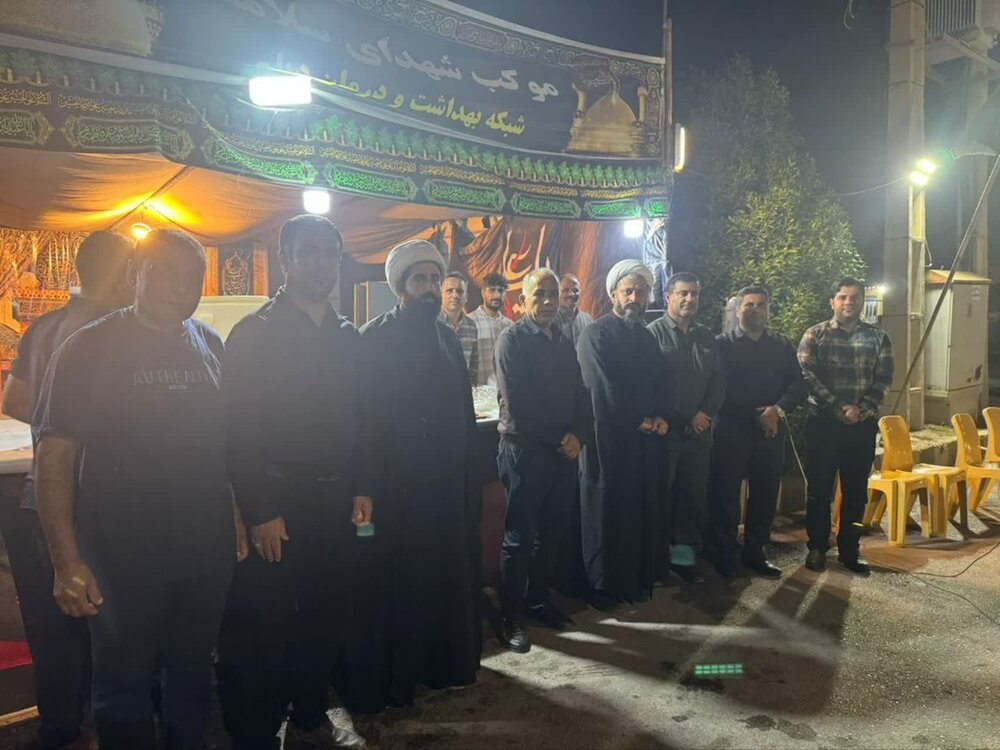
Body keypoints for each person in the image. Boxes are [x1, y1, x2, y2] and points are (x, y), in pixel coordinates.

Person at [32, 229, 240, 750]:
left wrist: (235, 516)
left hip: (203, 550)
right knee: (122, 681)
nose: (180, 286)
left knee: (192, 671)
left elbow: (224, 445)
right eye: (165, 272)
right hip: (120, 555)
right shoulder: (88, 347)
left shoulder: (210, 343)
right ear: (134, 276)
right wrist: (66, 562)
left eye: (192, 276)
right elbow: (54, 456)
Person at [216, 215, 368, 750]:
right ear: (285, 259)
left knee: (327, 614)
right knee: (266, 624)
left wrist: (363, 486)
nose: (322, 264)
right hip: (279, 501)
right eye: (309, 253)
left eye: (331, 253)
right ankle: (257, 732)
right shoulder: (255, 334)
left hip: (336, 500)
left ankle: (309, 716)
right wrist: (260, 509)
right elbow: (238, 430)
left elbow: (362, 419)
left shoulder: (347, 336)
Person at [0, 231, 133, 750]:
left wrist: (53, 424)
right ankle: (106, 730)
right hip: (101, 500)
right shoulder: (119, 332)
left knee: (52, 625)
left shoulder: (45, 327)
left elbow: (13, 401)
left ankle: (60, 729)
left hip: (40, 498)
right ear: (126, 274)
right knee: (108, 622)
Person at [351, 239, 480, 710]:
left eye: (434, 279)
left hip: (444, 484)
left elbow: (463, 410)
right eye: (419, 279)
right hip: (397, 486)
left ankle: (441, 666)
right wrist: (365, 485)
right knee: (402, 580)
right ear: (401, 286)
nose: (429, 288)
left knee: (444, 574)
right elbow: (363, 419)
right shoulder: (374, 337)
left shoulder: (445, 335)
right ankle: (397, 678)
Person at [494, 268, 592, 653]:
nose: (549, 301)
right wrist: (561, 439)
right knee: (519, 538)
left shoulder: (563, 341)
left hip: (562, 454)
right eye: (540, 295)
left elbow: (581, 394)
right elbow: (519, 404)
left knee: (552, 534)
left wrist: (580, 435)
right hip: (525, 452)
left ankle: (537, 600)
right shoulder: (512, 341)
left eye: (554, 294)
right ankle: (510, 615)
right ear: (523, 301)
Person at [576, 260, 668, 607]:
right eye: (628, 291)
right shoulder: (595, 335)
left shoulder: (646, 337)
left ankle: (635, 578)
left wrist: (660, 416)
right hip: (608, 440)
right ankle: (605, 585)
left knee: (637, 510)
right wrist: (638, 421)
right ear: (613, 294)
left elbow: (661, 381)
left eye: (640, 292)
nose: (634, 297)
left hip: (643, 440)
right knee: (607, 511)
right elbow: (601, 390)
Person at [706, 286, 805, 579]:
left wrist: (777, 410)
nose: (755, 309)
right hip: (731, 431)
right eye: (749, 304)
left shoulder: (781, 345)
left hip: (770, 433)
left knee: (765, 494)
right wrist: (758, 416)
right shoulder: (721, 345)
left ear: (768, 309)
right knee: (725, 495)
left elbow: (797, 384)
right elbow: (718, 390)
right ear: (738, 309)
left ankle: (755, 552)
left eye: (761, 304)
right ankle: (725, 554)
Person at [799, 278, 893, 574]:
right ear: (832, 302)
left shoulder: (878, 338)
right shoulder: (815, 335)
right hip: (823, 424)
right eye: (842, 297)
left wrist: (860, 410)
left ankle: (850, 548)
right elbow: (806, 374)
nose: (848, 302)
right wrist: (837, 406)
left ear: (863, 301)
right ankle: (817, 546)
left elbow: (884, 379)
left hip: (861, 427)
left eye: (854, 297)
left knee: (856, 492)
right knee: (819, 490)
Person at [647, 272, 725, 585]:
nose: (690, 299)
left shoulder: (706, 336)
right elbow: (655, 385)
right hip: (665, 432)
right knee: (660, 497)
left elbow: (718, 380)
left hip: (698, 434)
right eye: (683, 293)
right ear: (668, 296)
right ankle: (655, 561)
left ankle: (683, 560)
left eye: (694, 293)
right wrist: (689, 414)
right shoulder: (652, 334)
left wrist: (705, 413)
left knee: (692, 499)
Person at [468, 271, 512, 386]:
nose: (497, 295)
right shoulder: (469, 322)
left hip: (505, 392)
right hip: (479, 393)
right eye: (492, 290)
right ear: (483, 292)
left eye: (500, 291)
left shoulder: (510, 327)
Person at [440, 271, 479, 384]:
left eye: (460, 291)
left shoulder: (471, 326)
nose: (455, 295)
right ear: (440, 294)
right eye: (449, 291)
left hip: (462, 390)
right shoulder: (430, 323)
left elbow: (473, 364)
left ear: (466, 297)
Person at [553, 273, 593, 347]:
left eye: (575, 290)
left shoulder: (587, 319)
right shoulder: (550, 320)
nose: (571, 294)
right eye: (566, 290)